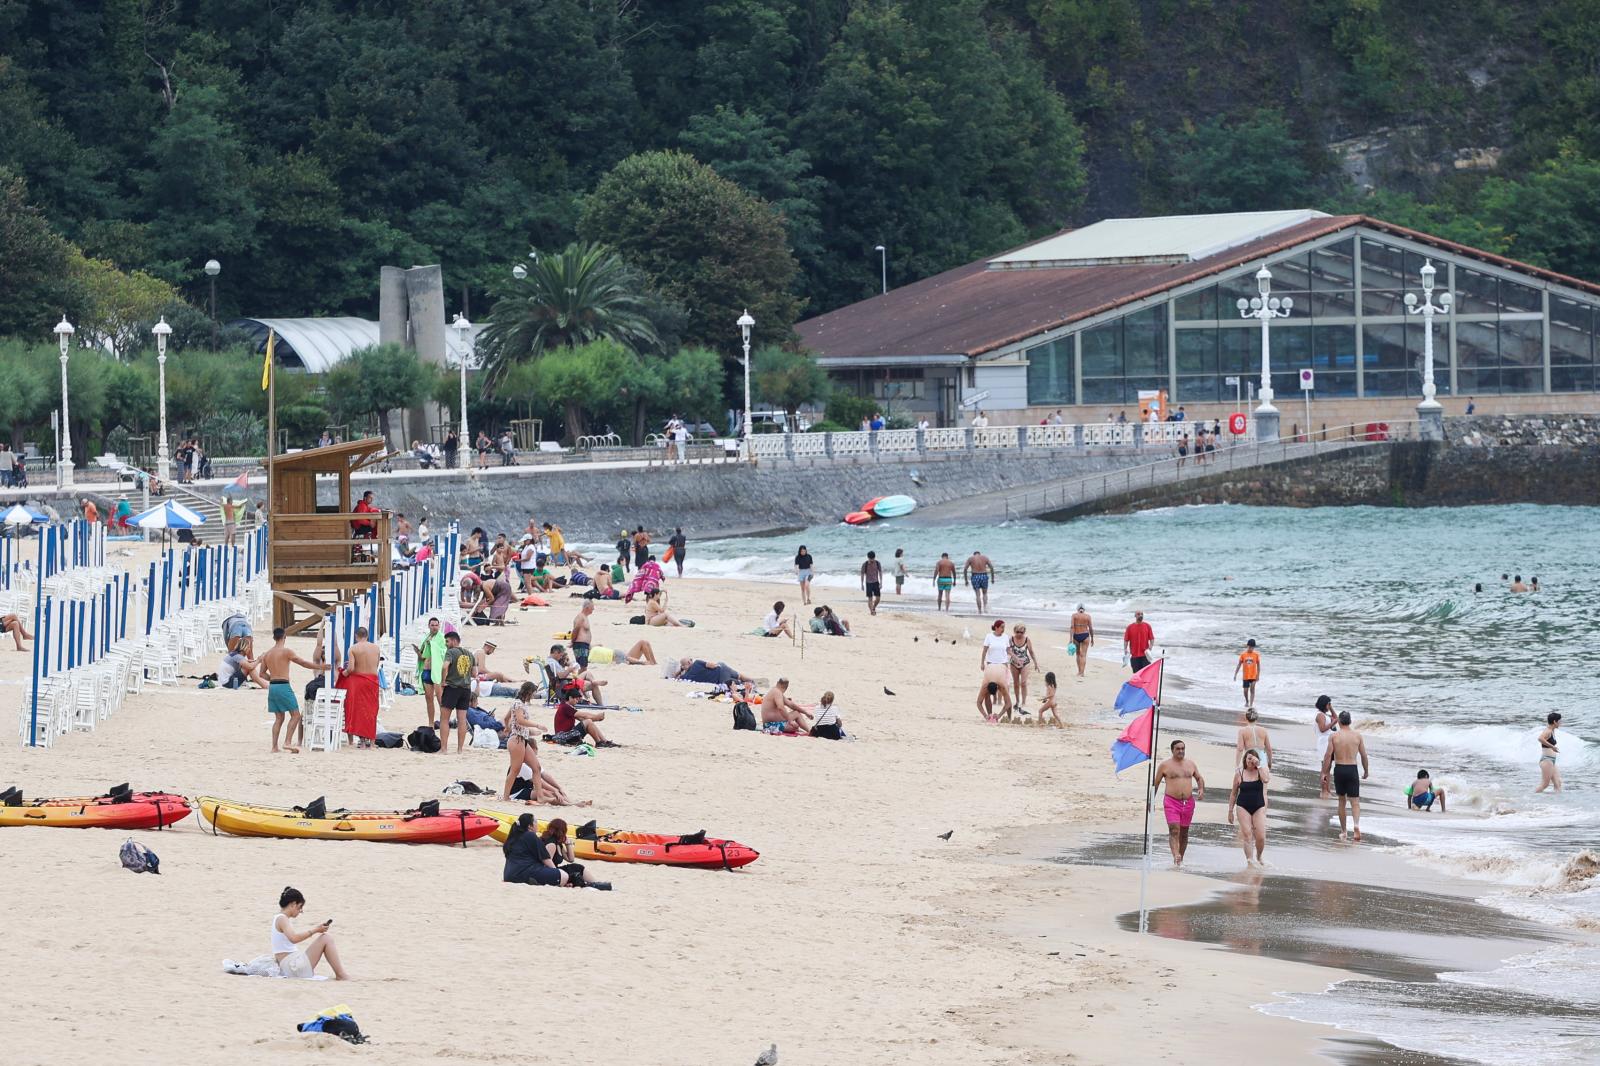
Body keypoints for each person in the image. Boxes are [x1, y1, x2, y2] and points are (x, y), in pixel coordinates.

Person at [501, 813, 608, 888]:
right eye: (535, 822)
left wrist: (569, 844)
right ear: (530, 826)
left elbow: (571, 859)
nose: (537, 824)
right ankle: (587, 884)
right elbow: (546, 859)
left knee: (576, 868)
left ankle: (594, 883)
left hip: (510, 875)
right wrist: (556, 872)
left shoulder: (514, 838)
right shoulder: (531, 836)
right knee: (564, 875)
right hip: (524, 873)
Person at [260, 627, 321, 753]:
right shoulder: (286, 651)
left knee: (279, 718)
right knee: (295, 715)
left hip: (273, 687)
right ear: (284, 637)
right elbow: (303, 663)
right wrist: (320, 667)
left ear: (274, 638)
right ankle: (287, 742)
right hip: (283, 686)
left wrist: (273, 677)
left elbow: (261, 674)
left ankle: (274, 747)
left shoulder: (267, 654)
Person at [270, 887, 349, 980]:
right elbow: (294, 938)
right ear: (293, 904)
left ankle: (341, 975)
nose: (301, 911)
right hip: (292, 968)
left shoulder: (280, 918)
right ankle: (341, 975)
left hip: (290, 966)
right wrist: (316, 930)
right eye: (300, 907)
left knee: (326, 938)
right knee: (326, 938)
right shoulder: (282, 919)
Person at [1152, 739, 1204, 867]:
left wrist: (1201, 789)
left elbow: (1199, 778)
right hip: (1171, 802)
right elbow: (1155, 784)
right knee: (1174, 830)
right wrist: (1150, 800)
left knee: (1184, 832)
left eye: (1183, 748)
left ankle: (1180, 858)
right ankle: (1175, 855)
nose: (1181, 751)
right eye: (1178, 749)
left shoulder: (1190, 764)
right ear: (1172, 750)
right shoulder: (1165, 765)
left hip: (1188, 803)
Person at [1320, 710, 1369, 842]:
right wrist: (1366, 771)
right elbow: (1364, 755)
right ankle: (1357, 826)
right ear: (1350, 721)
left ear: (1340, 721)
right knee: (1355, 802)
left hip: (1340, 769)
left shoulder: (1334, 736)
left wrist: (1324, 772)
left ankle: (1344, 831)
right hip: (1352, 769)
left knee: (1342, 801)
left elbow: (1328, 756)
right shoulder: (1357, 736)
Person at [337, 626, 381, 747]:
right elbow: (376, 665)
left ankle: (361, 742)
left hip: (359, 682)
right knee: (371, 710)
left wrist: (343, 673)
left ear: (356, 636)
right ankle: (371, 742)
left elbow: (351, 668)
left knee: (359, 711)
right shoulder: (376, 648)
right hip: (372, 681)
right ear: (367, 636)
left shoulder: (353, 649)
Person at [1228, 749, 1271, 868]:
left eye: (1253, 759)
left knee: (1260, 836)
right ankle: (1250, 861)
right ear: (1245, 760)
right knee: (1247, 835)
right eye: (1249, 758)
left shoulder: (1260, 771)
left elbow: (1266, 779)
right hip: (1243, 806)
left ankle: (1259, 856)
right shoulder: (1239, 773)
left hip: (1258, 806)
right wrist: (1230, 811)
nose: (1250, 761)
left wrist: (1259, 765)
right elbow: (1233, 793)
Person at [438, 630, 476, 754]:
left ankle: (444, 749)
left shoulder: (451, 652)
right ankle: (460, 749)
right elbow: (475, 673)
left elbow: (444, 666)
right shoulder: (470, 654)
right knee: (462, 720)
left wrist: (443, 681)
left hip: (452, 688)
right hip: (466, 689)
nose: (446, 644)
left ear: (454, 641)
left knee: (444, 719)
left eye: (447, 641)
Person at [414, 617, 446, 736]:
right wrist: (419, 652)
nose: (434, 627)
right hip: (426, 670)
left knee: (440, 698)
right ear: (429, 626)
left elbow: (443, 651)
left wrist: (432, 645)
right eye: (432, 625)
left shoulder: (441, 638)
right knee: (428, 698)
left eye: (436, 625)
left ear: (439, 626)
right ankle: (431, 723)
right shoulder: (426, 637)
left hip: (436, 671)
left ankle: (443, 721)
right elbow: (423, 655)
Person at [1007, 623, 1037, 709]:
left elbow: (1031, 652)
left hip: (1025, 663)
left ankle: (1024, 702)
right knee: (1016, 683)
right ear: (1014, 631)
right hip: (1014, 663)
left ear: (1024, 632)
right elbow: (1008, 650)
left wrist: (1035, 663)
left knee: (1023, 683)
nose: (1019, 634)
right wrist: (1015, 658)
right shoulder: (1011, 639)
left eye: (1021, 632)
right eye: (1017, 632)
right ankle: (1017, 701)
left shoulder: (1027, 640)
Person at [1537, 712, 1563, 793]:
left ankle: (1557, 803)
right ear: (1555, 722)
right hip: (1546, 760)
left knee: (1558, 783)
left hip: (1551, 761)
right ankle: (1530, 799)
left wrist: (1552, 747)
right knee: (1545, 784)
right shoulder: (1548, 730)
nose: (1560, 723)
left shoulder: (1552, 730)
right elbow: (1540, 738)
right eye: (1559, 721)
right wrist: (1552, 747)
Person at [1233, 638, 1261, 710]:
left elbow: (1258, 665)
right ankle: (1247, 701)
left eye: (1252, 647)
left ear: (1254, 647)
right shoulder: (1243, 655)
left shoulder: (1256, 655)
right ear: (1247, 646)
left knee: (1252, 688)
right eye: (1249, 647)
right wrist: (1235, 674)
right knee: (1245, 690)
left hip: (1253, 675)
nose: (1250, 648)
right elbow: (1239, 665)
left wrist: (1258, 675)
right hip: (1246, 676)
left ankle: (1251, 705)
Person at [1069, 604, 1093, 679]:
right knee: (1083, 655)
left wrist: (1070, 639)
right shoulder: (1088, 616)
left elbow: (1072, 627)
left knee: (1078, 654)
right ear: (1084, 609)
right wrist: (1092, 638)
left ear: (1077, 609)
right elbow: (1091, 628)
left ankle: (1079, 671)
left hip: (1076, 636)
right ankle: (1082, 673)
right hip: (1085, 635)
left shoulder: (1074, 616)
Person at [571, 601, 595, 668]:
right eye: (592, 608)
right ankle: (579, 678)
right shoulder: (580, 617)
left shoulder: (585, 617)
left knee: (584, 666)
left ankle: (580, 678)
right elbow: (576, 629)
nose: (593, 609)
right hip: (580, 645)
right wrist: (572, 641)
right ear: (587, 608)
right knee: (582, 666)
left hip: (583, 645)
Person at [859, 551, 883, 615]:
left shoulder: (877, 563)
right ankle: (872, 611)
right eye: (870, 559)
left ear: (874, 557)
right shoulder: (865, 564)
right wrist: (862, 584)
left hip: (876, 582)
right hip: (868, 583)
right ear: (868, 558)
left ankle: (873, 607)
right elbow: (862, 574)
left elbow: (880, 572)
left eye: (873, 559)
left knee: (878, 598)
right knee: (870, 598)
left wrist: (881, 582)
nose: (871, 560)